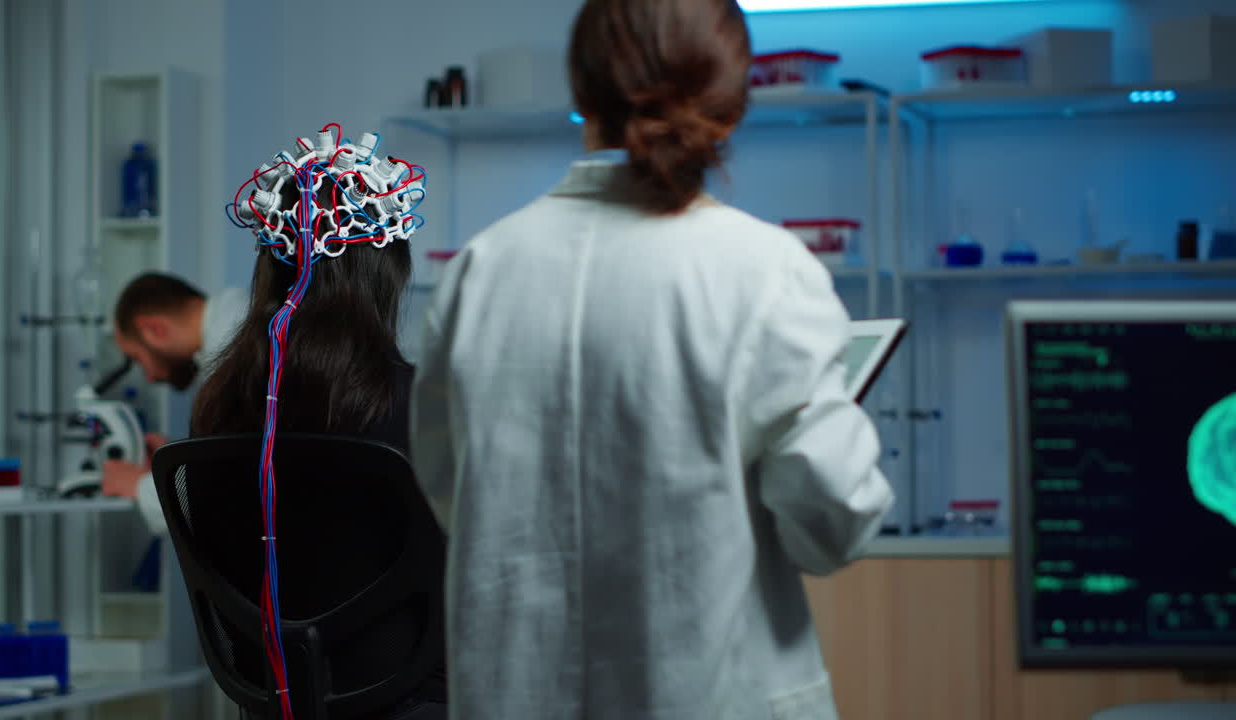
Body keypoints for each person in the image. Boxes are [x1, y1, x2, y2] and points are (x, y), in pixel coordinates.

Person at [409, 1, 894, 718]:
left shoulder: (481, 271)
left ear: (581, 91)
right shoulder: (765, 272)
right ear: (732, 104)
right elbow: (833, 524)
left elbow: (455, 496)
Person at [189, 129, 446, 719]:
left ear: (268, 269)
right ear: (389, 277)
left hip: (273, 701)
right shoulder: (426, 407)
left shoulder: (219, 410)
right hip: (414, 701)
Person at [99, 273, 247, 533]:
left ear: (154, 330)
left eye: (138, 358)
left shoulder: (231, 355)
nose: (150, 377)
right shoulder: (239, 322)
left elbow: (219, 493)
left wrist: (138, 485)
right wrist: (175, 461)